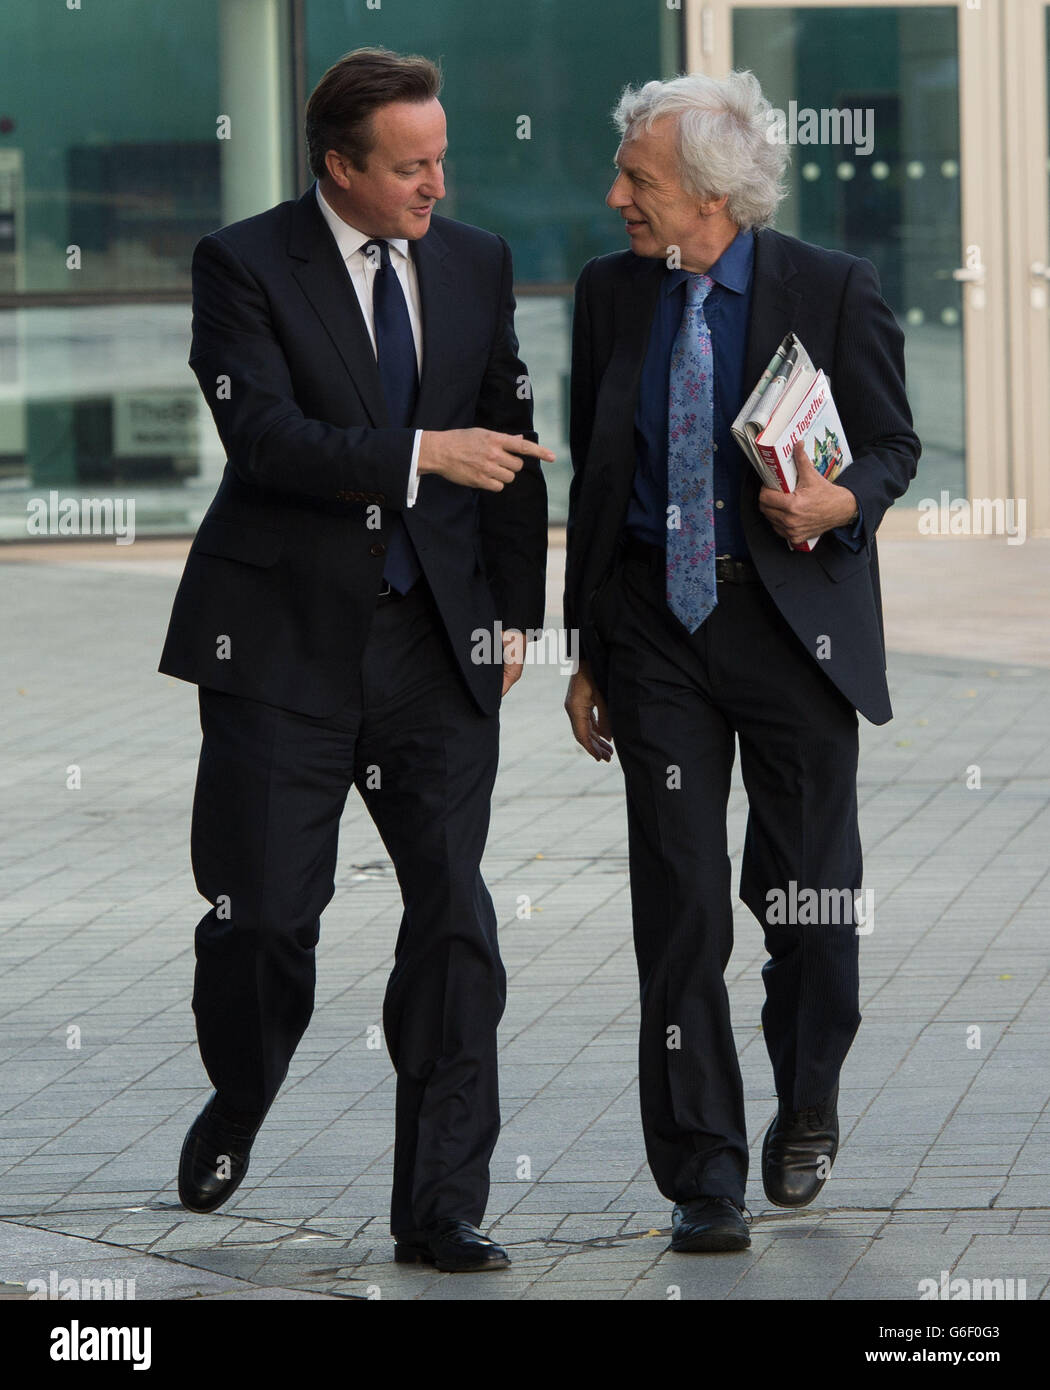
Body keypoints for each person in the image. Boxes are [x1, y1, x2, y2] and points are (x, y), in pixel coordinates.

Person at [159, 46, 550, 1273]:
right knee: (265, 918)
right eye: (411, 166)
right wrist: (417, 453)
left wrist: (516, 614)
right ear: (340, 167)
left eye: (441, 158)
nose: (438, 183)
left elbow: (512, 439)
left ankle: (439, 1204)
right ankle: (242, 1091)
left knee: (454, 924)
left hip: (436, 646)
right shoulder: (243, 264)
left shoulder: (477, 261)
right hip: (280, 645)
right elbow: (263, 434)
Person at [563, 70, 919, 1254]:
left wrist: (836, 502)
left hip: (791, 636)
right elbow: (597, 477)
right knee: (680, 911)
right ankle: (703, 1172)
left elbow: (893, 443)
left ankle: (807, 1097)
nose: (618, 197)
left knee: (809, 903)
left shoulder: (830, 287)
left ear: (712, 198)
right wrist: (587, 646)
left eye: (640, 181)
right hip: (657, 634)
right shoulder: (614, 294)